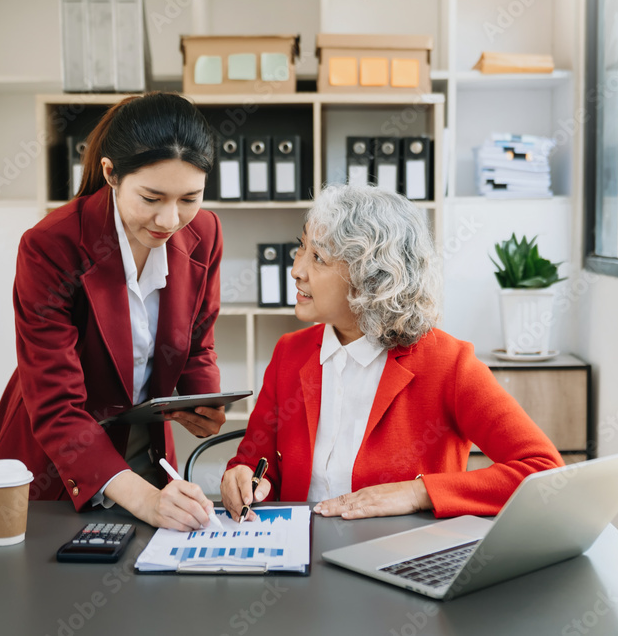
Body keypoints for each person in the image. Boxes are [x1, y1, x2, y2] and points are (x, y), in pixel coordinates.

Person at [221, 184, 562, 521]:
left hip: (401, 558)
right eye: (302, 248)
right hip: (300, 557)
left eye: (318, 258)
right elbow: (254, 462)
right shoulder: (289, 353)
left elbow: (544, 472)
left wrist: (418, 493)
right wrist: (244, 478)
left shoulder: (448, 363)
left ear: (371, 277)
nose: (296, 270)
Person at [0, 92, 225, 531]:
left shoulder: (204, 232)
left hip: (147, 447)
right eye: (151, 197)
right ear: (111, 173)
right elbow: (55, 402)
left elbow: (198, 338)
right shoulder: (50, 245)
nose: (170, 219)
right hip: (61, 457)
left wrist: (202, 397)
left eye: (189, 198)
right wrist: (145, 500)